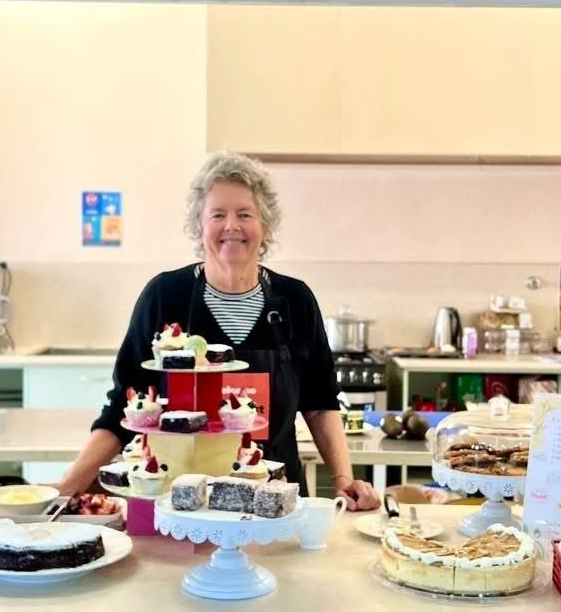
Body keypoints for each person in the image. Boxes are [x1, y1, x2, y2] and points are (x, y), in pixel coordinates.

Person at [55, 151, 381, 511]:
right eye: (217, 215)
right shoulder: (165, 296)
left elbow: (320, 405)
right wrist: (66, 488)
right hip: (180, 505)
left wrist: (344, 481)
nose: (232, 226)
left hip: (276, 502)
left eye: (245, 214)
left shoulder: (295, 300)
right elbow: (123, 408)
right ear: (199, 226)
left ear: (265, 227)